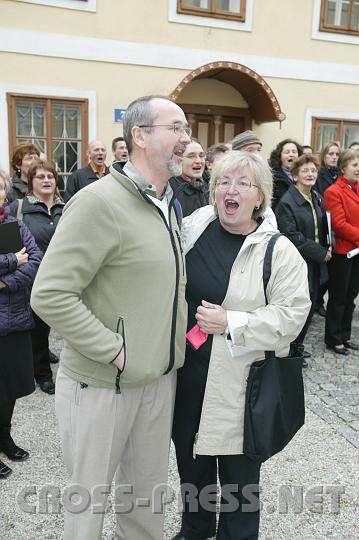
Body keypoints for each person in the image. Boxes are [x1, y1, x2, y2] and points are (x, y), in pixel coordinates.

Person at [31, 95, 190, 540]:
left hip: (157, 380)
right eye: (175, 128)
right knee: (87, 505)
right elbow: (50, 293)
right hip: (102, 384)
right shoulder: (97, 202)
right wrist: (115, 351)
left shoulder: (166, 203)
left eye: (186, 129)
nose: (185, 139)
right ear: (139, 135)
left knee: (145, 502)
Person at [172, 151, 311, 540]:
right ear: (214, 192)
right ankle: (195, 530)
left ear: (259, 196)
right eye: (223, 183)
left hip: (241, 386)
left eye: (243, 184)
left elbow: (292, 316)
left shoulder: (278, 250)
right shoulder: (194, 229)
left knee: (238, 482)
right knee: (192, 465)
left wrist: (231, 322)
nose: (231, 191)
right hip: (188, 376)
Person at [8, 160, 64, 394]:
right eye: (40, 177)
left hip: (63, 278)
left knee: (62, 325)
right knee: (38, 330)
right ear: (31, 183)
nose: (46, 180)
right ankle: (42, 375)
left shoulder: (67, 207)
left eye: (50, 176)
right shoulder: (19, 208)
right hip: (32, 280)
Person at [0, 169, 42, 479]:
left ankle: (5, 437)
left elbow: (37, 260)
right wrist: (14, 261)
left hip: (13, 320)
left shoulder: (16, 225)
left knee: (11, 387)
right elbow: (23, 260)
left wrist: (5, 284)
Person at [275, 155, 332, 366]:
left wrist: (328, 244)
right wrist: (320, 252)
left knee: (309, 308)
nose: (310, 174)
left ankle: (297, 347)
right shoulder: (287, 202)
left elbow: (321, 226)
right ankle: (289, 351)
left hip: (314, 263)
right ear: (295, 176)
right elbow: (290, 236)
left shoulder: (315, 196)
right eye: (305, 171)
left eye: (314, 171)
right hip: (297, 264)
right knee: (297, 309)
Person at [324, 149, 359, 355]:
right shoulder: (333, 192)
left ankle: (345, 335)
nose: (358, 169)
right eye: (355, 165)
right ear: (343, 168)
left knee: (352, 295)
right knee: (338, 297)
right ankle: (333, 338)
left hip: (357, 251)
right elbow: (338, 223)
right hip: (343, 253)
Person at [314, 141, 340, 316]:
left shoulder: (340, 175)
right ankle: (317, 302)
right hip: (324, 223)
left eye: (337, 154)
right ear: (324, 156)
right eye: (330, 154)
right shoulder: (319, 175)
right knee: (322, 268)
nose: (334, 157)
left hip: (338, 224)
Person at [170, 138, 208, 217]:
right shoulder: (171, 191)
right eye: (191, 156)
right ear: (178, 159)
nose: (198, 161)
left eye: (201, 156)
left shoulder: (208, 186)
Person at [269, 138, 303, 209]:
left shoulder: (305, 177)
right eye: (287, 152)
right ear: (279, 157)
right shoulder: (272, 178)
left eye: (294, 152)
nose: (291, 155)